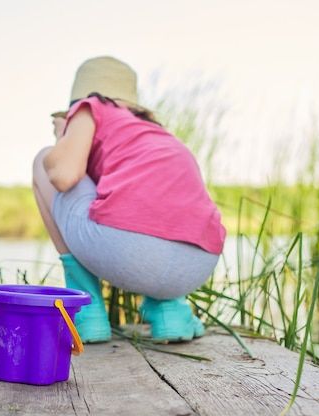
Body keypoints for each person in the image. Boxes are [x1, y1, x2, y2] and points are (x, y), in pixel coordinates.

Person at [32, 56, 226, 343]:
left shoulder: (90, 108)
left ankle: (86, 309)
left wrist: (64, 138)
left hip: (130, 253)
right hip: (200, 264)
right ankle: (170, 311)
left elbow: (64, 175)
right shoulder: (154, 133)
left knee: (42, 161)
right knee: (139, 199)